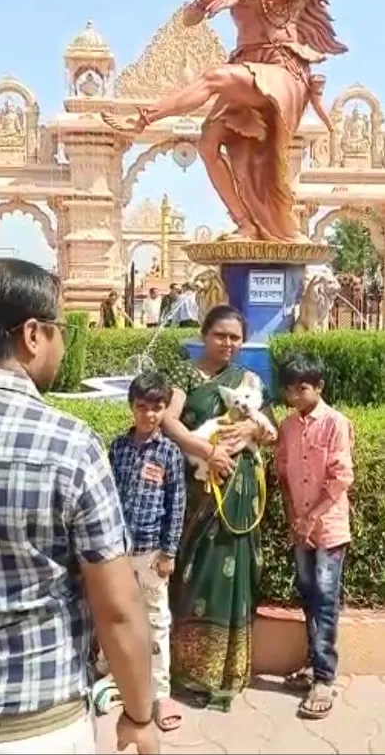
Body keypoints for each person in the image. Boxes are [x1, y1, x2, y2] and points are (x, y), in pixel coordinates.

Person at [103, 0, 385, 241]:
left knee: (214, 78)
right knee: (208, 145)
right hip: (246, 69)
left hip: (285, 72)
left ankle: (142, 119)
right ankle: (246, 223)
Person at [0, 258, 158, 755]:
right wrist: (140, 715)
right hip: (37, 724)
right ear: (32, 335)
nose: (63, 343)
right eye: (61, 329)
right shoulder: (67, 445)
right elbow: (118, 608)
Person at [162, 304, 276, 710]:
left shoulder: (248, 380)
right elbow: (168, 421)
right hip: (200, 489)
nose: (227, 344)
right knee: (196, 572)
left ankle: (230, 671)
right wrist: (205, 450)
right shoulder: (182, 374)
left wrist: (250, 428)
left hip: (240, 489)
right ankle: (190, 670)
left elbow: (267, 428)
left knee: (236, 573)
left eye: (235, 337)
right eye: (219, 335)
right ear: (204, 334)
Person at [275, 353, 354, 721]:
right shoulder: (288, 426)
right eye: (289, 389)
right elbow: (283, 473)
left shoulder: (336, 423)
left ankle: (325, 678)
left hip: (328, 529)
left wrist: (311, 518)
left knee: (324, 599)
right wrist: (295, 517)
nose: (295, 395)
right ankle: (312, 664)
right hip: (301, 529)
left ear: (319, 387)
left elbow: (340, 479)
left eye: (302, 388)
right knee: (308, 596)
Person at [109, 371, 186, 732]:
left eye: (157, 408)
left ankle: (160, 693)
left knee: (156, 621)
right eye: (142, 407)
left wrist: (169, 552)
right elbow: (106, 501)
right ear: (131, 407)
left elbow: (177, 506)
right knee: (117, 616)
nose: (149, 415)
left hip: (152, 554)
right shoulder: (117, 448)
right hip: (118, 555)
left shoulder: (170, 452)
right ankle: (117, 681)